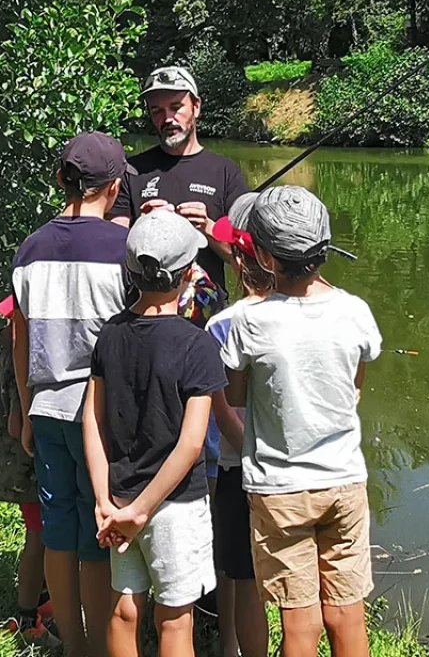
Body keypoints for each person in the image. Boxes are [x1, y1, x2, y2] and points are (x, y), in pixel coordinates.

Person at [218, 186, 380, 657]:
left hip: (279, 488)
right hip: (345, 480)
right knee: (347, 613)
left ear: (264, 256)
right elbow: (354, 392)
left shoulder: (249, 323)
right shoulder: (356, 312)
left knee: (300, 621)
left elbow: (236, 397)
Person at [12, 132, 134, 657]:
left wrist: (22, 410)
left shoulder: (30, 248)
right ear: (112, 186)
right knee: (97, 532)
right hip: (97, 420)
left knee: (58, 528)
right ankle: (105, 644)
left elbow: (20, 340)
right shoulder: (122, 250)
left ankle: (74, 643)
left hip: (43, 409)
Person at [84, 210, 227, 657]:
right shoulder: (197, 344)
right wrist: (142, 511)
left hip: (121, 497)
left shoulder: (110, 334)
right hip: (173, 506)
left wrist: (105, 500)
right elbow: (191, 444)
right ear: (188, 275)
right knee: (175, 617)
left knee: (125, 608)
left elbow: (92, 419)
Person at [203, 194, 271, 657]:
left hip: (233, 466)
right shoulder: (315, 313)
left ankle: (230, 645)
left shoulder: (224, 325)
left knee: (236, 569)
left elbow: (220, 408)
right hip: (295, 468)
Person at [110, 67, 250, 291]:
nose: (167, 119)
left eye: (176, 108)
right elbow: (113, 251)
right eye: (157, 111)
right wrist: (142, 228)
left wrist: (207, 226)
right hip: (145, 313)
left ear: (196, 107)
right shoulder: (133, 170)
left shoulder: (225, 172)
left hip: (206, 317)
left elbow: (247, 256)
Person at [0, 293, 55, 643]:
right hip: (30, 461)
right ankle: (26, 615)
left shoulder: (4, 345)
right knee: (41, 538)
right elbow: (14, 422)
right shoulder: (16, 355)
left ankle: (43, 599)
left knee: (43, 536)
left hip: (23, 460)